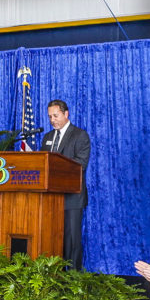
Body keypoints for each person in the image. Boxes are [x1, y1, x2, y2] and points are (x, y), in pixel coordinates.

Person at [40, 99, 91, 270]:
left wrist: (57, 168)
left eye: (56, 115)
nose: (52, 120)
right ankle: (56, 274)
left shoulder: (80, 135)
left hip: (72, 197)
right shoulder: (47, 137)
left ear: (66, 114)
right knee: (54, 239)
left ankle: (74, 277)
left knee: (72, 241)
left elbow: (80, 164)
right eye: (50, 116)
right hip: (51, 198)